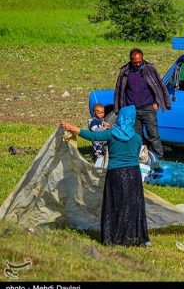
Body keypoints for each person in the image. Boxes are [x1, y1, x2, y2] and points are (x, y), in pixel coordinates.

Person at [60, 105, 151, 247]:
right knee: (133, 205)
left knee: (115, 205)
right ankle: (134, 237)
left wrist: (72, 128)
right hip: (133, 174)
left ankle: (114, 237)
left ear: (120, 118)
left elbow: (94, 136)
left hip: (115, 173)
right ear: (132, 120)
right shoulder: (137, 138)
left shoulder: (111, 134)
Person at [114, 48, 171, 160]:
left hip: (148, 108)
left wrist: (156, 102)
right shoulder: (125, 72)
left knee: (153, 135)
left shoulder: (150, 69)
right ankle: (140, 159)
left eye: (140, 61)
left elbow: (159, 85)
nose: (138, 64)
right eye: (135, 62)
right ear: (131, 60)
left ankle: (158, 159)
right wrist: (119, 108)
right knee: (136, 136)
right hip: (132, 110)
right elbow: (119, 90)